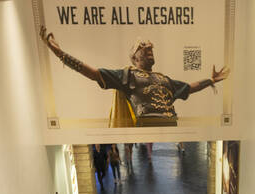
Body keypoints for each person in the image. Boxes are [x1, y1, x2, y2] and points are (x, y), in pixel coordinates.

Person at [41, 28, 229, 127]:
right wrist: (60, 54)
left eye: (150, 48)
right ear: (135, 56)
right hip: (145, 125)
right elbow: (93, 73)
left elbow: (189, 87)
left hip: (171, 124)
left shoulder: (164, 78)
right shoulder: (127, 74)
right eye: (144, 48)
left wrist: (210, 80)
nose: (149, 50)